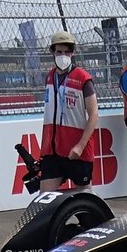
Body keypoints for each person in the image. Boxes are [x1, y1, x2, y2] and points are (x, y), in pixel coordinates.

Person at [37, 30, 99, 191]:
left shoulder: (83, 78)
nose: (63, 56)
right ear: (52, 52)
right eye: (59, 52)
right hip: (53, 150)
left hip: (77, 150)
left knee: (85, 199)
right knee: (44, 200)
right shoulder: (50, 77)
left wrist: (80, 146)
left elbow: (93, 114)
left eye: (67, 52)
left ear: (72, 53)